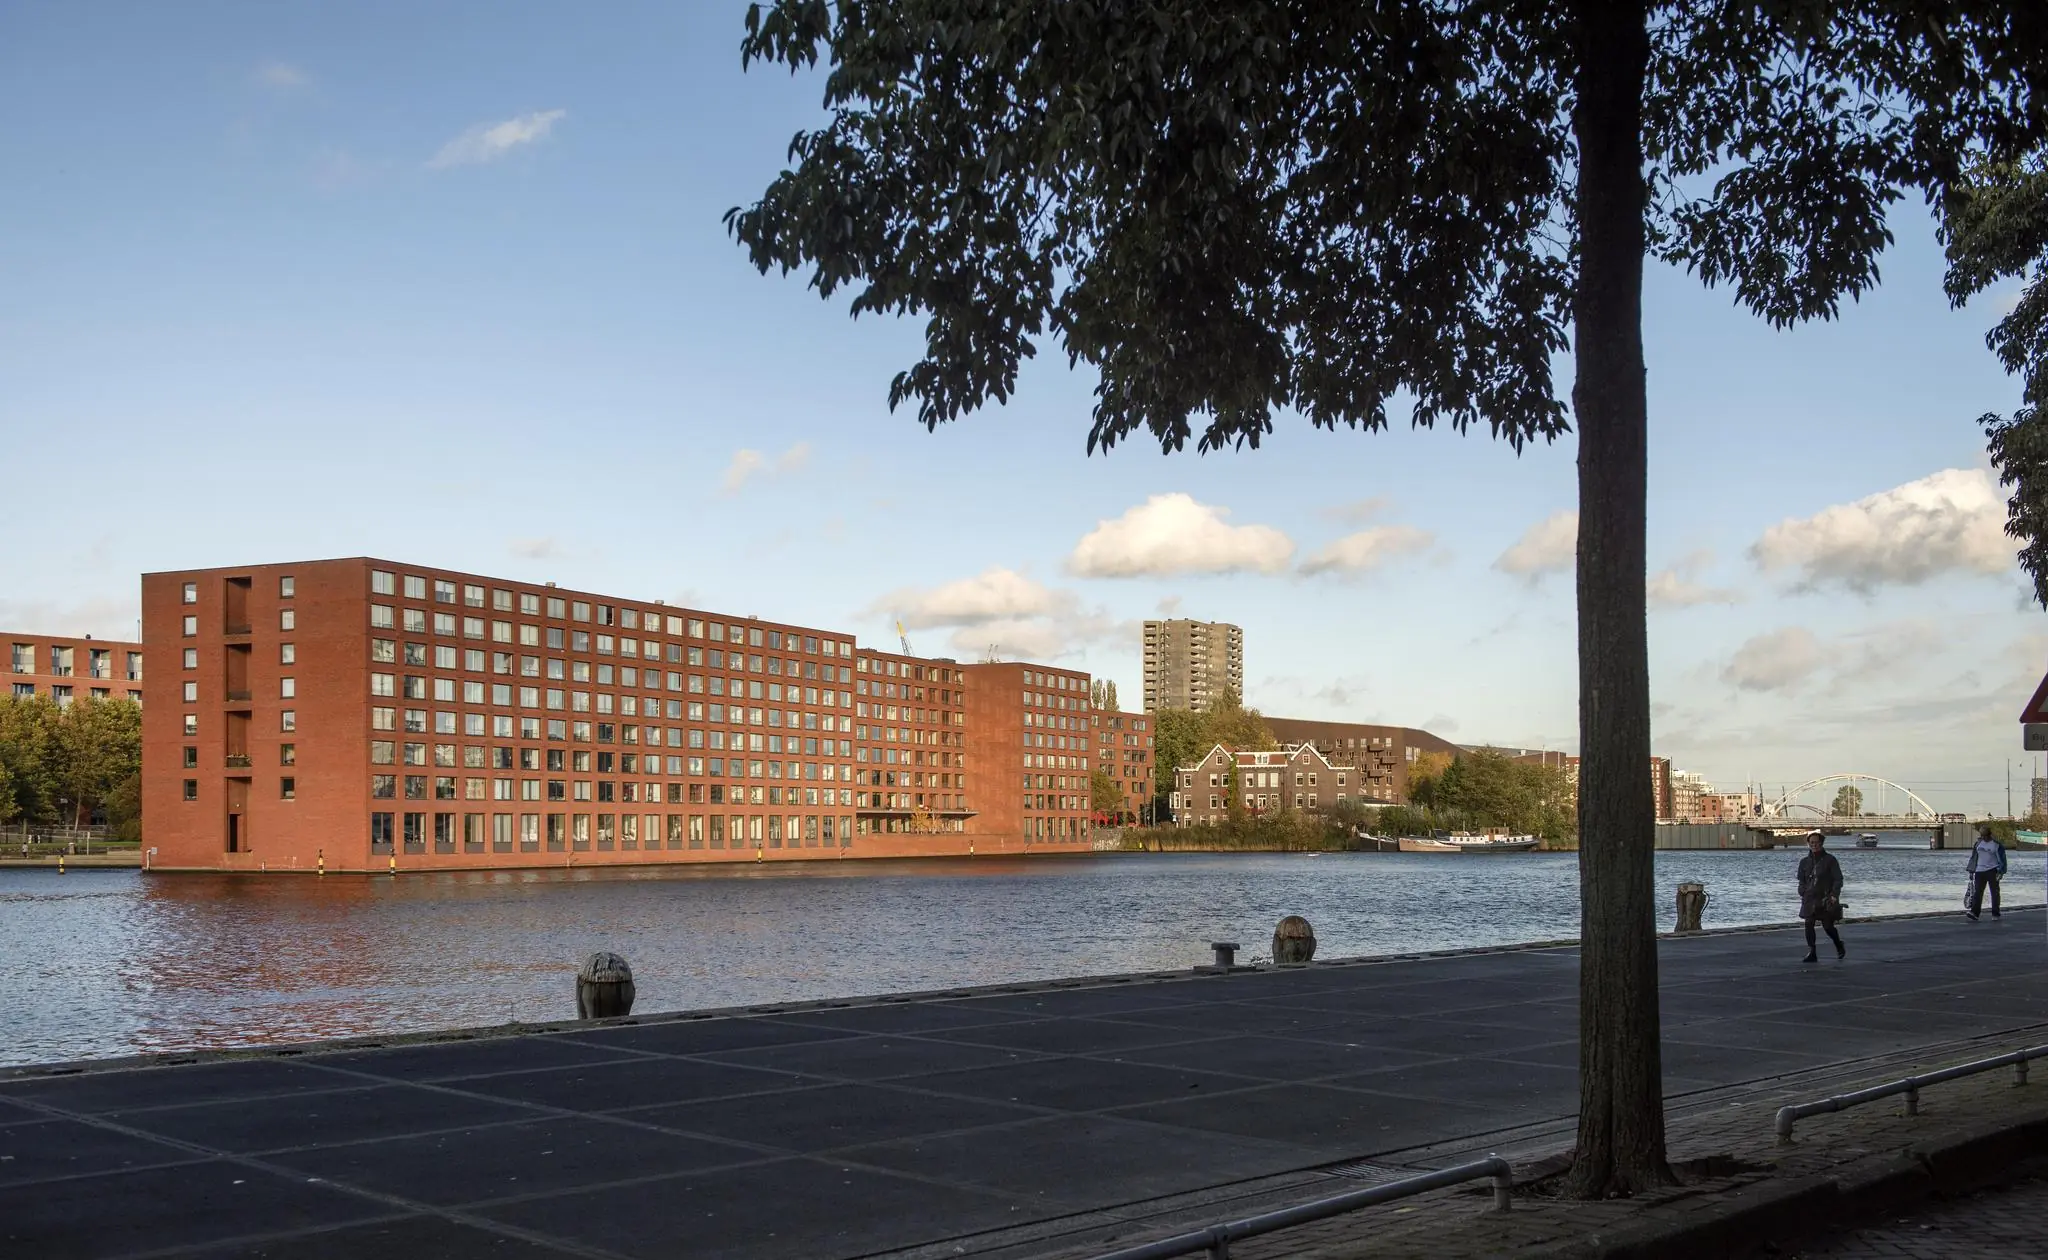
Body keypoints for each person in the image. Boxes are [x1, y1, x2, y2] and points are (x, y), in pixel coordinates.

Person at [1797, 830, 1845, 963]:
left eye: (1817, 843)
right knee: (1808, 924)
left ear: (1821, 843)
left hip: (1825, 898)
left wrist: (1834, 894)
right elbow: (1801, 880)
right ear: (1808, 844)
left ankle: (1838, 944)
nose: (1814, 845)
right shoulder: (1804, 862)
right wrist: (1802, 890)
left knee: (1828, 926)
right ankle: (1812, 952)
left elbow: (1838, 879)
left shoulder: (1830, 860)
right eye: (1811, 843)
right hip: (1809, 898)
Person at [1965, 825, 2008, 921]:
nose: (1984, 837)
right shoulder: (1978, 844)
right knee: (1977, 892)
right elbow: (1973, 857)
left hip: (1992, 870)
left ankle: (1995, 913)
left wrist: (2001, 872)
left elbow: (2003, 859)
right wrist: (1971, 870)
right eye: (1982, 835)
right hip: (1979, 870)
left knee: (1994, 893)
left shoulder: (1996, 845)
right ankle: (1974, 913)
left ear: (1989, 834)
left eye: (1985, 835)